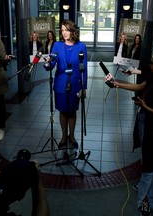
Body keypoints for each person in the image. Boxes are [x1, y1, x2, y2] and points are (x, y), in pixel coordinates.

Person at [113, 51, 153, 216]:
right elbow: (140, 87)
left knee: (149, 163)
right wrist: (118, 84)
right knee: (149, 160)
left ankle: (146, 202)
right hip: (146, 122)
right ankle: (151, 189)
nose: (150, 65)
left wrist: (144, 105)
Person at [46, 19, 87, 149]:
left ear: (72, 31)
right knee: (63, 111)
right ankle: (64, 135)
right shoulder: (57, 45)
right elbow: (52, 63)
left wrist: (83, 87)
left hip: (75, 83)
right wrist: (48, 64)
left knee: (72, 111)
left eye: (66, 30)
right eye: (62, 30)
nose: (64, 33)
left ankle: (72, 135)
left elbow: (84, 68)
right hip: (60, 83)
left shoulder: (81, 46)